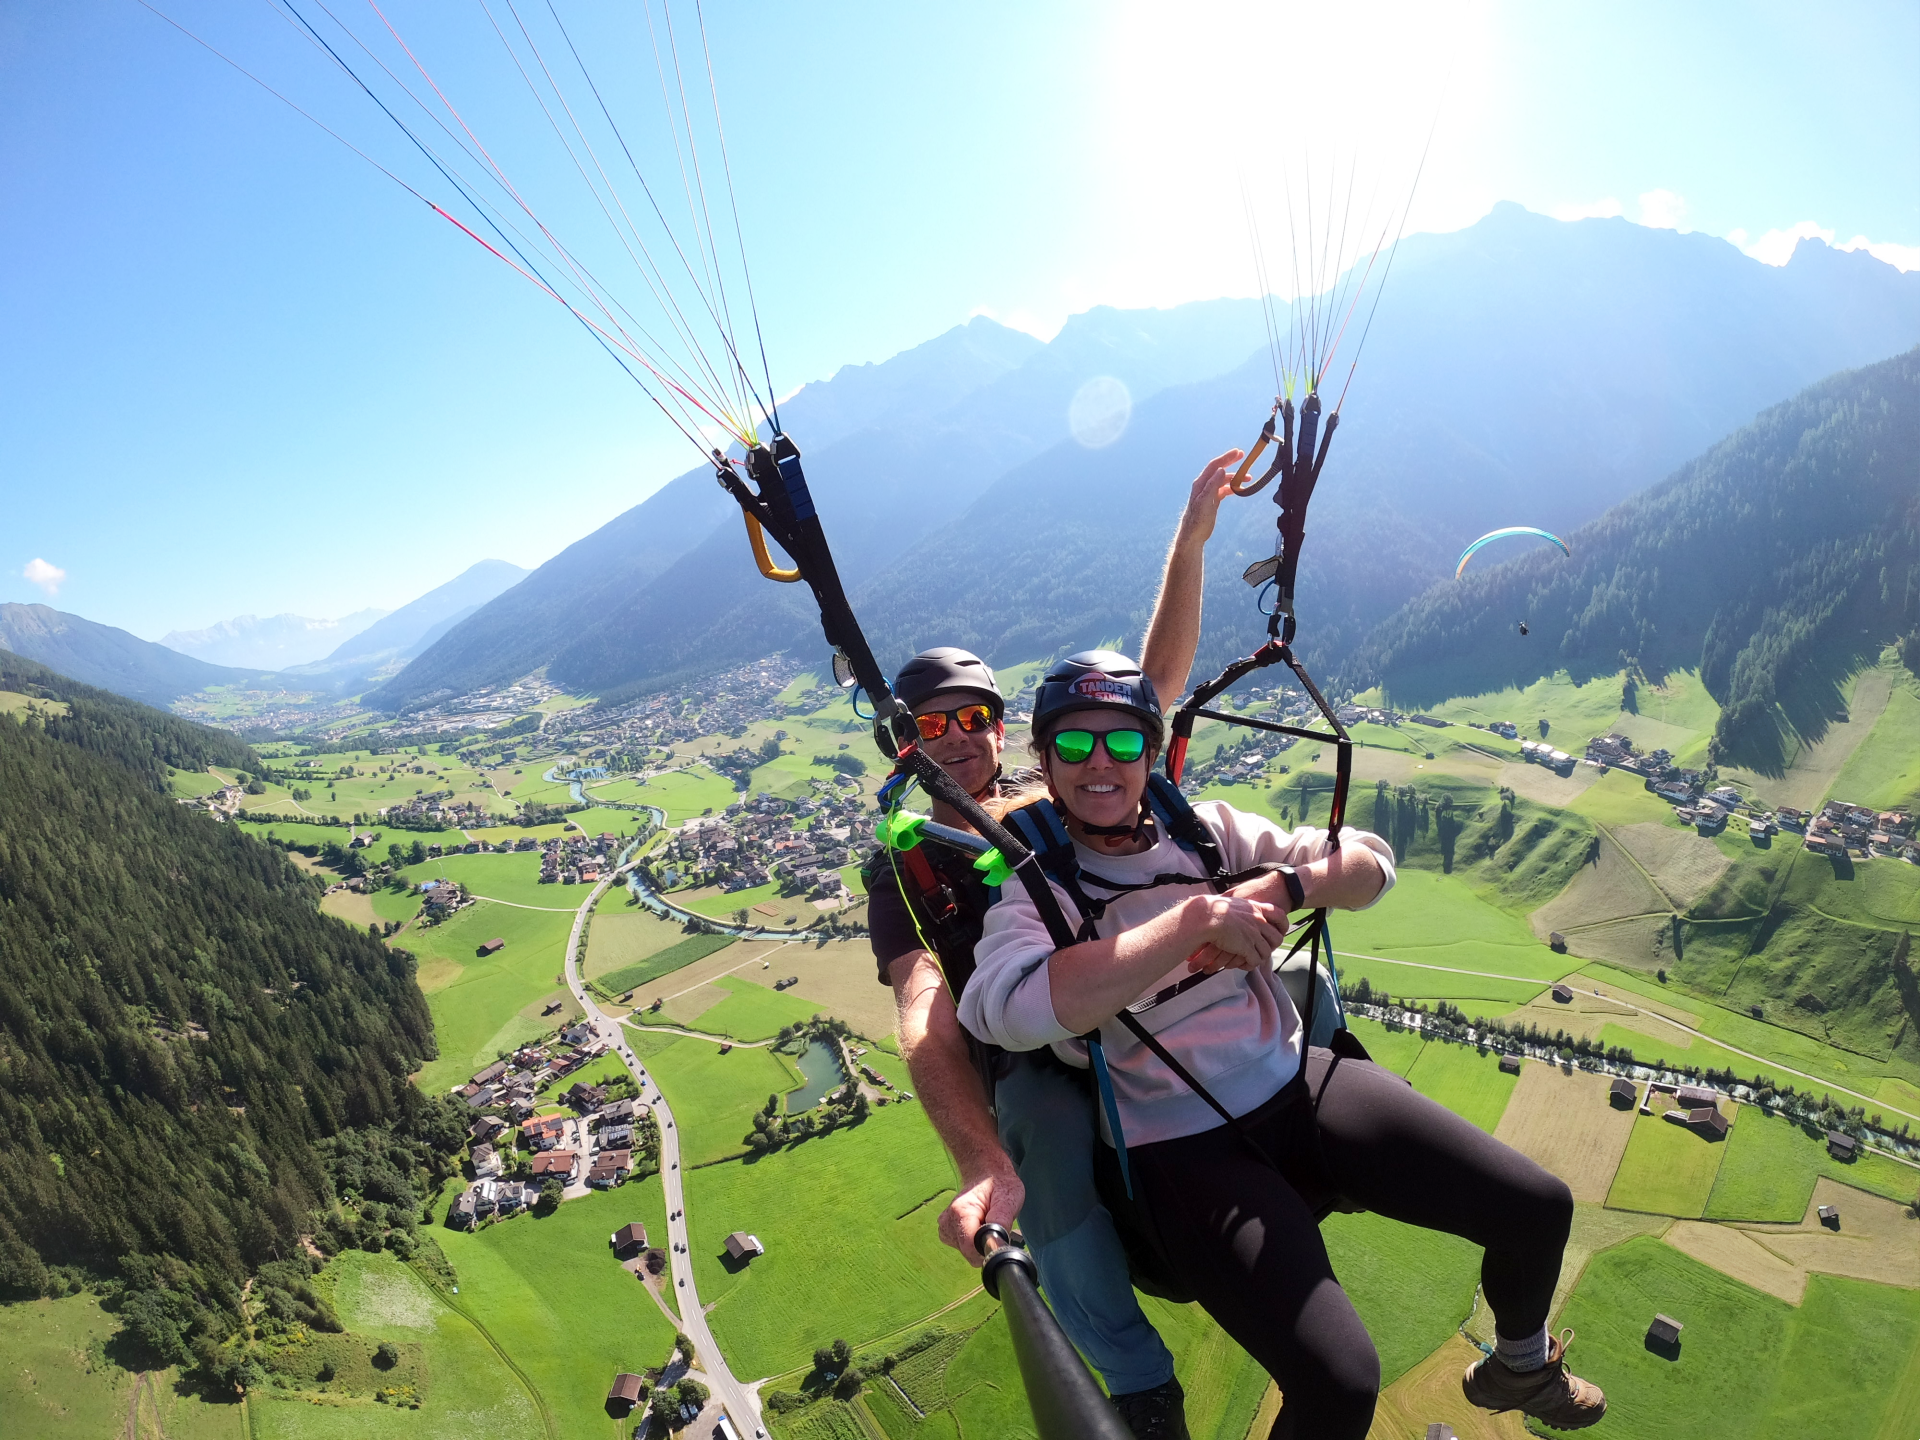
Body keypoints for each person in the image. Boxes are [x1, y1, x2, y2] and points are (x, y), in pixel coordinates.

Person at [957, 652, 1607, 1439]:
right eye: (1075, 745)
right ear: (1045, 761)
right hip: (1183, 1149)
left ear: (1151, 752)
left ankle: (1520, 1366)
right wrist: (1195, 921)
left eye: (1124, 744)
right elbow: (1008, 1010)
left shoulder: (1211, 833)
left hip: (1300, 1083)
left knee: (1537, 1207)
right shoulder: (1038, 890)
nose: (1101, 763)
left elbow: (1371, 867)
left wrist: (1280, 887)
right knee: (1341, 1384)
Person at [861, 450, 1244, 1440]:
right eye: (929, 728)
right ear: (907, 747)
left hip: (1129, 989)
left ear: (1000, 727)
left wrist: (1191, 543)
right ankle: (1138, 1387)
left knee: (1297, 998)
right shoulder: (908, 859)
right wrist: (977, 1160)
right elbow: (922, 1009)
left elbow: (1151, 688)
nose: (953, 738)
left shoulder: (1055, 792)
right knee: (1045, 1135)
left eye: (972, 718)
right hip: (1029, 1048)